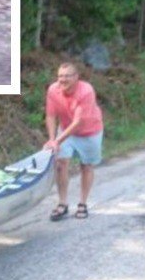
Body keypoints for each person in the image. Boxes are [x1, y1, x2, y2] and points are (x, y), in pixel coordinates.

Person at [43, 62, 104, 220]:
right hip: (65, 129)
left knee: (86, 166)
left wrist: (57, 141)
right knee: (60, 164)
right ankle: (62, 204)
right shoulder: (53, 90)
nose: (62, 80)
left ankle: (82, 203)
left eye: (67, 76)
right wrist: (52, 140)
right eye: (60, 76)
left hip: (89, 131)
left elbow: (78, 122)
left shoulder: (86, 91)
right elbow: (50, 116)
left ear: (76, 77)